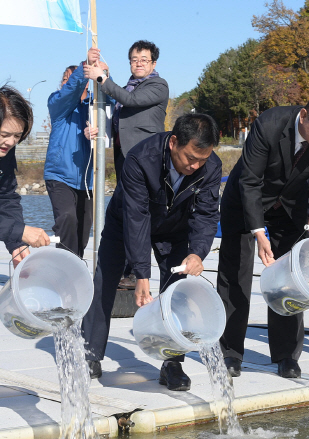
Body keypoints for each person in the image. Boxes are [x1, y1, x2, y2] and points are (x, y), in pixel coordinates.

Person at [81, 113, 222, 390]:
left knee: (176, 292)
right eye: (190, 157)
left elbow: (206, 214)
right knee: (104, 281)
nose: (195, 166)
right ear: (173, 143)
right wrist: (141, 273)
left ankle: (172, 364)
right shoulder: (140, 158)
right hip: (125, 222)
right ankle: (90, 354)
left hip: (175, 227)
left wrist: (197, 253)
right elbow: (137, 217)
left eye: (201, 160)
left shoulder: (210, 166)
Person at [217, 92, 309, 379]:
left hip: (289, 206)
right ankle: (230, 351)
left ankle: (286, 354)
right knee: (236, 273)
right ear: (303, 116)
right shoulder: (269, 124)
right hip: (246, 200)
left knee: (290, 278)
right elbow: (250, 181)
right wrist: (258, 231)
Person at [84, 40, 168, 287]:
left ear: (153, 63)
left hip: (146, 159)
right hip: (124, 156)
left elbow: (130, 100)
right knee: (124, 211)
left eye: (144, 59)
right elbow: (116, 103)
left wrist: (101, 78)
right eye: (134, 59)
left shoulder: (158, 85)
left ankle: (135, 270)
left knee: (138, 212)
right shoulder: (128, 86)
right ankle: (123, 267)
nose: (138, 63)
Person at [44, 48, 107, 257]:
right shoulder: (57, 103)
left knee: (83, 228)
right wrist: (85, 66)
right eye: (64, 79)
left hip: (87, 181)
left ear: (87, 82)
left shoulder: (94, 104)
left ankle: (75, 265)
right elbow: (70, 92)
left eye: (71, 79)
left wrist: (105, 75)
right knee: (67, 218)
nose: (66, 82)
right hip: (60, 176)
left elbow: (112, 107)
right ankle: (64, 267)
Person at [0, 85, 51, 265]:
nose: (10, 142)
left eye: (17, 136)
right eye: (5, 134)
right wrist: (19, 231)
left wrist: (16, 243)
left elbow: (6, 197)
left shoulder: (5, 151)